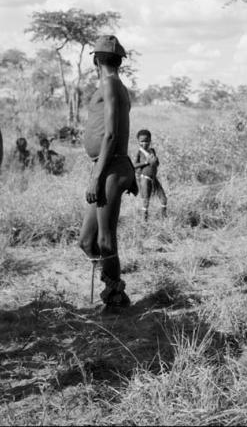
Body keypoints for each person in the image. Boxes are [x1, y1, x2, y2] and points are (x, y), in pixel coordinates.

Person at [78, 35, 138, 308]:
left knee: (104, 238)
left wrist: (96, 177)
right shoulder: (114, 84)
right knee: (87, 240)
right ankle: (111, 287)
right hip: (110, 166)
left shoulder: (110, 84)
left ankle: (116, 297)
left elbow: (112, 134)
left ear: (96, 60)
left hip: (110, 168)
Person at [133, 129, 168, 220]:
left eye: (147, 141)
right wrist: (146, 162)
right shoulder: (139, 152)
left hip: (153, 178)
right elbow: (134, 165)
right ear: (138, 142)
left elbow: (157, 164)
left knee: (163, 198)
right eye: (142, 141)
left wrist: (156, 160)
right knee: (146, 200)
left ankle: (164, 218)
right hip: (144, 178)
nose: (144, 143)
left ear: (150, 141)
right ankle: (144, 221)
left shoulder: (152, 151)